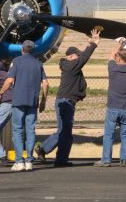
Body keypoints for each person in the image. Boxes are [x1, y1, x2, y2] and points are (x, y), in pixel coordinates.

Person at [35, 29, 100, 167]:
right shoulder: (71, 66)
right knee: (66, 133)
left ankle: (45, 150)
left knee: (63, 131)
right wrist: (94, 44)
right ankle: (59, 159)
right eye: (76, 55)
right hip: (66, 102)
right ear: (71, 56)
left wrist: (89, 43)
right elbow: (84, 58)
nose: (78, 56)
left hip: (65, 101)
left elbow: (82, 56)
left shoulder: (70, 65)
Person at [94, 33, 126, 167]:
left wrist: (119, 44)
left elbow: (110, 56)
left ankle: (106, 160)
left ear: (118, 58)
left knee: (109, 135)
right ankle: (124, 159)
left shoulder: (113, 68)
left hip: (112, 107)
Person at [0, 40, 49, 172]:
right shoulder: (38, 63)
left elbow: (9, 80)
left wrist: (0, 93)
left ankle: (19, 160)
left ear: (22, 50)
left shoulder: (16, 61)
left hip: (18, 100)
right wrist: (43, 100)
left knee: (17, 130)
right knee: (31, 130)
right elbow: (46, 84)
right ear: (33, 50)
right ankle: (29, 161)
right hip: (32, 101)